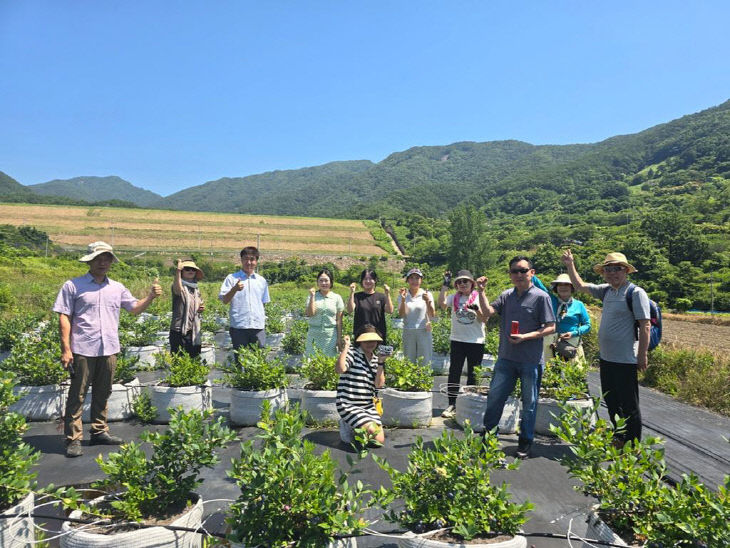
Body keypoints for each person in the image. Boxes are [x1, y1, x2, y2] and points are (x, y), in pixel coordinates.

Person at [53, 241, 162, 458]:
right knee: (78, 394)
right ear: (89, 261)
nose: (103, 262)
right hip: (83, 348)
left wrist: (150, 296)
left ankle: (99, 430)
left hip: (109, 348)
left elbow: (134, 309)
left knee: (104, 391)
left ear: (111, 261)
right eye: (98, 258)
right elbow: (64, 316)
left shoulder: (117, 288)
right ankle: (73, 439)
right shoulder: (73, 286)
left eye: (107, 258)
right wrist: (66, 349)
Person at [562, 250, 651, 446]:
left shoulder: (635, 293)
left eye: (617, 269)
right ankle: (619, 437)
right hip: (607, 357)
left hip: (626, 359)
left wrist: (642, 355)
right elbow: (580, 286)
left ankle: (633, 444)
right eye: (608, 269)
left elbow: (645, 325)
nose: (612, 273)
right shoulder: (606, 290)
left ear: (626, 271)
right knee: (611, 401)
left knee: (629, 405)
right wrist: (570, 265)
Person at [477, 256, 556, 459]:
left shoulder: (541, 297)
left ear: (532, 273)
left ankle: (525, 442)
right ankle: (488, 438)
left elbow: (550, 327)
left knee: (529, 403)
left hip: (531, 360)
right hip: (506, 358)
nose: (519, 275)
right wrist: (481, 291)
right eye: (514, 271)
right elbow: (487, 312)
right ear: (510, 275)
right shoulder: (506, 296)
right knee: (495, 398)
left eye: (523, 270)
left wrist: (526, 337)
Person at [438, 269, 487, 419]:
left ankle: (469, 403)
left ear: (472, 283)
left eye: (465, 281)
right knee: (454, 372)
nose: (462, 284)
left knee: (473, 374)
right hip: (457, 340)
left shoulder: (478, 297)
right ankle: (452, 404)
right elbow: (441, 304)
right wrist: (445, 284)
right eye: (459, 282)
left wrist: (477, 310)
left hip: (476, 341)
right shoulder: (453, 297)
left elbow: (485, 319)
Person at [336, 325, 386, 445]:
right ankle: (347, 424)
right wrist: (346, 347)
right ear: (360, 341)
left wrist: (381, 362)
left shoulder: (375, 359)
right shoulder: (353, 353)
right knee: (370, 432)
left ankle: (354, 426)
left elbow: (379, 385)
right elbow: (340, 369)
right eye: (366, 341)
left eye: (373, 340)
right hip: (348, 404)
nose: (370, 343)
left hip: (367, 406)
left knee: (379, 440)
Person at [219, 246, 270, 350]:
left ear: (256, 261)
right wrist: (234, 289)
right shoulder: (232, 278)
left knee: (259, 359)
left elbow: (263, 303)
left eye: (252, 259)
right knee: (241, 360)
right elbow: (224, 300)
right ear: (241, 260)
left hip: (257, 327)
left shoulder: (261, 281)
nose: (249, 262)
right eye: (246, 259)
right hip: (239, 326)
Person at [532, 273, 591, 362]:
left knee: (572, 372)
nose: (563, 287)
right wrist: (529, 273)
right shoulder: (551, 300)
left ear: (572, 287)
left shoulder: (579, 305)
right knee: (551, 372)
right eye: (560, 284)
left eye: (566, 284)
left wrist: (573, 333)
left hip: (571, 344)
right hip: (550, 344)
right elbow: (539, 286)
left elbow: (587, 325)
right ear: (556, 288)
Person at [397, 267, 436, 366]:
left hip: (423, 331)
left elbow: (432, 314)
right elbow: (401, 314)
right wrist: (402, 300)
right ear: (408, 280)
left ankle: (424, 381)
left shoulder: (427, 294)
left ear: (421, 280)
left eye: (417, 278)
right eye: (412, 278)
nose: (414, 281)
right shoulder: (404, 295)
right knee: (409, 361)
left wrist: (427, 301)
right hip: (408, 331)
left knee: (425, 360)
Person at [305, 268, 345, 357]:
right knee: (312, 362)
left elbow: (339, 321)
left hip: (330, 335)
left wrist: (339, 338)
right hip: (314, 334)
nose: (324, 283)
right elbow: (310, 314)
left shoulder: (337, 298)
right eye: (321, 281)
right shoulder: (312, 296)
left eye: (326, 280)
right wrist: (312, 297)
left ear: (331, 282)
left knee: (329, 361)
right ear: (317, 282)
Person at [170, 259, 205, 358]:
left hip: (193, 330)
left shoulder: (196, 289)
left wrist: (201, 308)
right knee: (179, 361)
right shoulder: (177, 286)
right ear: (182, 272)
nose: (191, 271)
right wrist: (177, 271)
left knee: (194, 360)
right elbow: (177, 289)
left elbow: (199, 304)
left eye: (193, 269)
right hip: (179, 330)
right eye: (187, 269)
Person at [347, 269, 393, 342]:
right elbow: (350, 310)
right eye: (365, 279)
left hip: (378, 335)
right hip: (361, 335)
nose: (368, 281)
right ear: (362, 281)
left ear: (375, 281)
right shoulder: (356, 296)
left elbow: (390, 311)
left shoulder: (381, 297)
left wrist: (387, 294)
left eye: (371, 279)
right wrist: (352, 292)